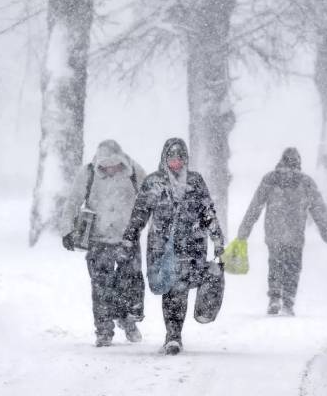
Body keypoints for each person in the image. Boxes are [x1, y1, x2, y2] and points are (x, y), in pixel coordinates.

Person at [121, 138, 225, 355]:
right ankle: (173, 335)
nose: (176, 163)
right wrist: (130, 236)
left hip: (192, 245)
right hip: (162, 246)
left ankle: (175, 334)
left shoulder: (195, 182)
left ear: (185, 160)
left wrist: (217, 239)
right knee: (172, 289)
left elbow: (207, 212)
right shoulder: (153, 183)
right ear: (164, 159)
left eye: (180, 159)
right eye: (172, 159)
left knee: (182, 288)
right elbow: (139, 213)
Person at [60, 140, 146, 347]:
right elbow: (73, 201)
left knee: (130, 284)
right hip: (98, 240)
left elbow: (148, 201)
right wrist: (67, 230)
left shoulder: (134, 171)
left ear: (122, 160)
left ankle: (128, 319)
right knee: (101, 287)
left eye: (114, 164)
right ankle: (104, 330)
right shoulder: (88, 173)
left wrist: (146, 226)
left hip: (128, 239)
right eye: (105, 165)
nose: (109, 169)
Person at [236, 147, 327, 316]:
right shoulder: (306, 182)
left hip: (274, 232)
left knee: (275, 264)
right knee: (293, 267)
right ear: (298, 163)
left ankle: (274, 297)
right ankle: (288, 301)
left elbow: (255, 206)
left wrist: (245, 229)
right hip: (295, 233)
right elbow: (318, 207)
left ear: (281, 160)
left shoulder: (271, 179)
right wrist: (325, 228)